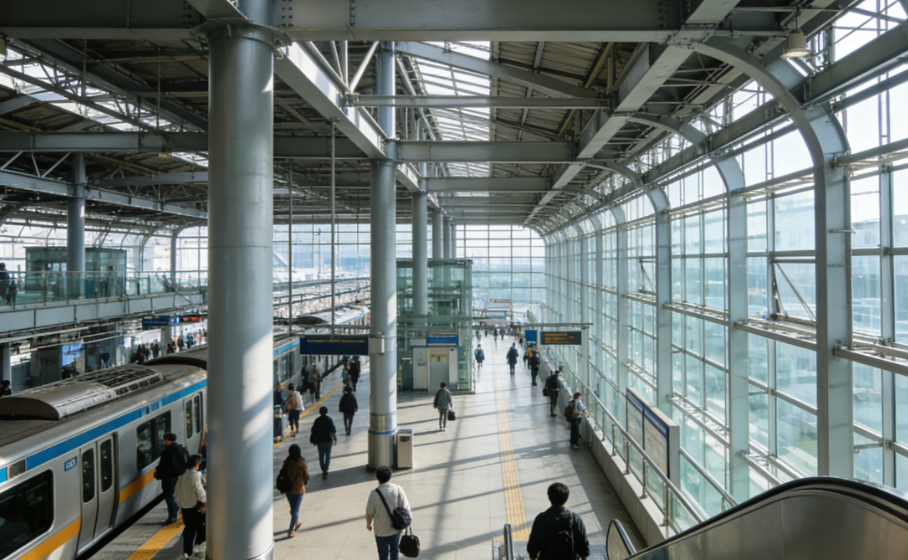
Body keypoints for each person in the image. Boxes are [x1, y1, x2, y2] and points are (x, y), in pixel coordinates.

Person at [527, 483, 590, 560]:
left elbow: (532, 549)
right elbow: (584, 551)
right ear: (566, 499)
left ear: (549, 498)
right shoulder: (576, 519)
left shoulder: (541, 519)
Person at [366, 466, 412, 560]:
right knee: (394, 551)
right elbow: (405, 507)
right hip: (396, 528)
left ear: (378, 478)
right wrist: (408, 522)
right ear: (390, 477)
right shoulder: (398, 489)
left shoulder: (374, 494)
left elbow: (369, 512)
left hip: (381, 531)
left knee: (383, 555)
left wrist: (368, 524)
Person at [175, 454, 206, 559]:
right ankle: (198, 549)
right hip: (195, 508)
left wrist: (181, 504)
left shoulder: (182, 476)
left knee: (189, 530)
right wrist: (206, 501)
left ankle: (187, 552)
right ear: (197, 464)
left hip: (185, 508)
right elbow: (200, 491)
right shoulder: (197, 475)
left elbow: (177, 493)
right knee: (201, 528)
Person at [154, 432, 188, 525]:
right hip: (179, 476)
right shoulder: (182, 449)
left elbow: (163, 466)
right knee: (174, 495)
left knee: (169, 496)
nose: (164, 442)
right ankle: (175, 509)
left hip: (169, 477)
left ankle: (173, 516)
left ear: (168, 440)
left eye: (165, 440)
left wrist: (158, 473)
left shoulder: (167, 451)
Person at [282, 444, 309, 538]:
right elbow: (306, 475)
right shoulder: (302, 462)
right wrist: (304, 482)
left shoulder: (287, 462)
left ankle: (296, 523)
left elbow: (283, 473)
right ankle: (291, 530)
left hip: (288, 489)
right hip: (299, 489)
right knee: (295, 510)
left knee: (293, 509)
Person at [310, 406, 337, 479]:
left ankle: (323, 469)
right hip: (328, 440)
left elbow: (313, 431)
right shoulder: (329, 419)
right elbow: (333, 430)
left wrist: (314, 440)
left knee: (321, 455)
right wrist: (335, 439)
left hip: (320, 441)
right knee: (328, 455)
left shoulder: (317, 420)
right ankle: (326, 469)